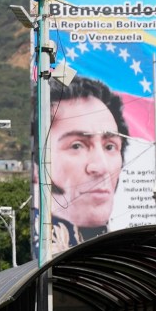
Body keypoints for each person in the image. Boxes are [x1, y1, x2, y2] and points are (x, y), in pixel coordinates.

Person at [39, 77, 129, 252]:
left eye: (110, 146)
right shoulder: (45, 247)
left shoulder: (126, 245)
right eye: (77, 146)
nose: (101, 167)